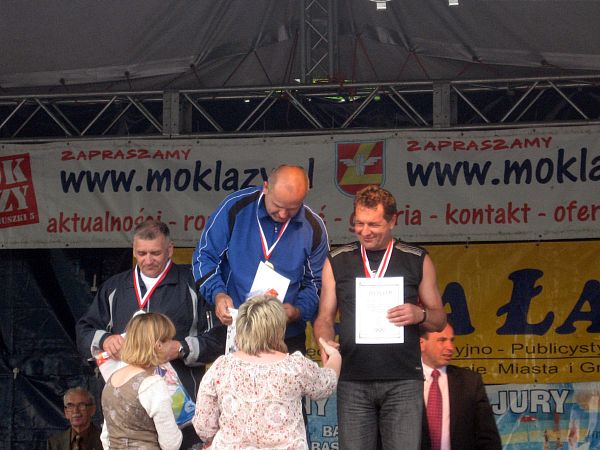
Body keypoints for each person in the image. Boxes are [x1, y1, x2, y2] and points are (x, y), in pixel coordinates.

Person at [313, 185, 447, 450]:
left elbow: (439, 318)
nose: (365, 231)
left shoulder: (416, 259)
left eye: (374, 224)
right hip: (353, 377)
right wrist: (325, 343)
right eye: (359, 223)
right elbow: (325, 318)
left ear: (393, 220)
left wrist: (419, 314)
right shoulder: (337, 260)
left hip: (403, 379)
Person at [76, 219, 222, 449]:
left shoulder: (193, 285)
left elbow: (220, 338)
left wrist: (181, 348)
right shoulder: (115, 288)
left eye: (155, 253)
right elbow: (84, 331)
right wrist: (105, 340)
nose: (148, 260)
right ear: (134, 250)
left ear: (170, 249)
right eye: (141, 253)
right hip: (129, 412)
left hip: (183, 409)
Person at [192, 164, 328, 353]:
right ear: (265, 187)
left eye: (292, 208)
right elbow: (204, 257)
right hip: (236, 327)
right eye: (278, 206)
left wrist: (298, 311)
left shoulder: (313, 227)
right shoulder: (236, 207)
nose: (283, 214)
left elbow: (316, 283)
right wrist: (218, 294)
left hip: (285, 335)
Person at [192, 295, 341, 449]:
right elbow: (326, 384)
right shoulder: (294, 367)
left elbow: (204, 426)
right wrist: (335, 356)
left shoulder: (221, 367)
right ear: (278, 328)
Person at [100, 312, 182, 450]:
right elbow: (171, 444)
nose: (173, 343)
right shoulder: (153, 384)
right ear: (159, 346)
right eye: (170, 339)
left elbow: (105, 438)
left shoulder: (111, 379)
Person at [420, 323, 502, 450]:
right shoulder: (404, 381)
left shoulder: (470, 382)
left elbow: (488, 438)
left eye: (451, 340)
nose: (450, 347)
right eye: (442, 340)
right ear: (421, 344)